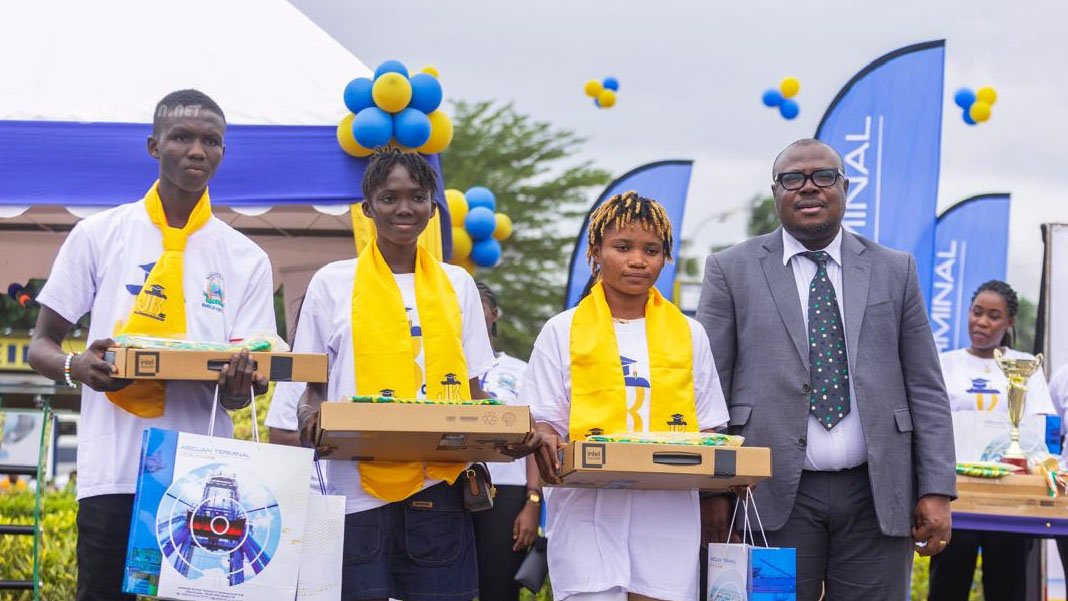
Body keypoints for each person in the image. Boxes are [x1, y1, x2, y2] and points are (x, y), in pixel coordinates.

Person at [27, 89, 276, 601]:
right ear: (153, 146)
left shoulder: (246, 257)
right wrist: (78, 367)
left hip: (202, 479)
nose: (197, 151)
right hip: (113, 471)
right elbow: (41, 344)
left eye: (211, 141)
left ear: (223, 151)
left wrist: (238, 388)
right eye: (181, 137)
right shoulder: (99, 235)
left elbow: (248, 384)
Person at [695, 139, 956, 600]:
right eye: (792, 179)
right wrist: (712, 491)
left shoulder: (894, 269)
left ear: (845, 187)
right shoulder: (730, 270)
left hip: (875, 497)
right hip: (766, 499)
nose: (808, 187)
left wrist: (937, 488)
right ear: (776, 192)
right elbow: (707, 388)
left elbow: (926, 388)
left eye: (823, 176)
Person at [296, 149, 496, 601]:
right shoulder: (332, 282)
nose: (404, 208)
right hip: (355, 495)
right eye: (389, 198)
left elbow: (474, 391)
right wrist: (310, 418)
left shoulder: (458, 284)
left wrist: (504, 429)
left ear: (433, 208)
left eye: (417, 197)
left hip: (439, 489)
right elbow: (311, 388)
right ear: (367, 209)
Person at [527, 191, 730, 601]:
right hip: (585, 519)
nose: (638, 260)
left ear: (665, 258)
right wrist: (544, 438)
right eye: (623, 247)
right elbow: (544, 420)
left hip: (667, 521)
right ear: (596, 252)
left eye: (651, 250)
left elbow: (708, 428)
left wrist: (730, 475)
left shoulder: (690, 334)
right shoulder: (561, 331)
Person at [930, 279, 1053, 599]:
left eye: (994, 316)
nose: (982, 322)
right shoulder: (945, 363)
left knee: (1007, 589)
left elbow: (1039, 431)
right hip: (956, 497)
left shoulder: (1026, 366)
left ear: (1010, 322)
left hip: (1010, 500)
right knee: (946, 588)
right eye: (977, 312)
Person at [470, 281, 540, 601]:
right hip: (445, 487)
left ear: (494, 314)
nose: (468, 315)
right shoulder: (438, 370)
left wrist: (532, 501)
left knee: (498, 590)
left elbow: (535, 439)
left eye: (477, 308)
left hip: (505, 492)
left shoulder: (520, 371)